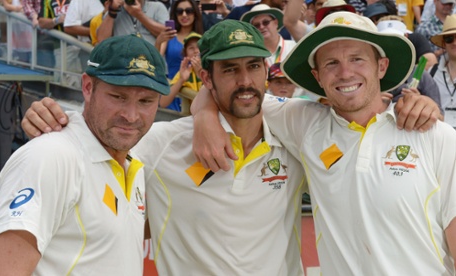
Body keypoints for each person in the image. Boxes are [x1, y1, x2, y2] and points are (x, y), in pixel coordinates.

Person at [20, 20, 308, 275]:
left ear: (266, 71)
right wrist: (51, 120)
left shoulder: (294, 136)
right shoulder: (161, 142)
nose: (245, 81)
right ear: (206, 79)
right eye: (230, 69)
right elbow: (94, 136)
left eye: (254, 66)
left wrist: (205, 113)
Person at [191, 12, 456, 274]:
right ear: (317, 77)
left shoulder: (435, 136)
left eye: (357, 59)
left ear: (382, 66)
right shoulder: (305, 124)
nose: (345, 73)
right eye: (331, 63)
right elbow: (237, 91)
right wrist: (204, 115)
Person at [0, 34, 170, 275]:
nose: (131, 115)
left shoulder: (132, 161)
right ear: (88, 87)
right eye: (118, 96)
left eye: (146, 101)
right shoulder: (50, 156)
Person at [155, 0, 203, 111]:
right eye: (179, 11)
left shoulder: (202, 38)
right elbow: (155, 61)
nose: (184, 15)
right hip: (172, 91)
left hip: (196, 91)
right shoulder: (169, 37)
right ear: (175, 14)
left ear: (195, 13)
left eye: (189, 11)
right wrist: (158, 41)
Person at [241, 4, 296, 68]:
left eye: (266, 22)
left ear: (276, 23)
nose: (261, 27)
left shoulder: (294, 48)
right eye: (256, 25)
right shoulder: (250, 55)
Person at [96, 0, 168, 46]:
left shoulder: (157, 7)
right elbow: (102, 40)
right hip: (122, 64)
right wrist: (112, 12)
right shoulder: (115, 9)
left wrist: (139, 15)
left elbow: (167, 33)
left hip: (150, 63)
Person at [160, 32, 203, 108]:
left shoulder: (212, 70)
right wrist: (181, 80)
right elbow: (163, 103)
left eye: (199, 47)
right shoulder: (185, 72)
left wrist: (200, 74)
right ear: (186, 54)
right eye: (191, 48)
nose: (196, 51)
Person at [430, 13, 456, 128]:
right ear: (443, 43)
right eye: (449, 38)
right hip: (440, 136)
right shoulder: (432, 72)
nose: (454, 42)